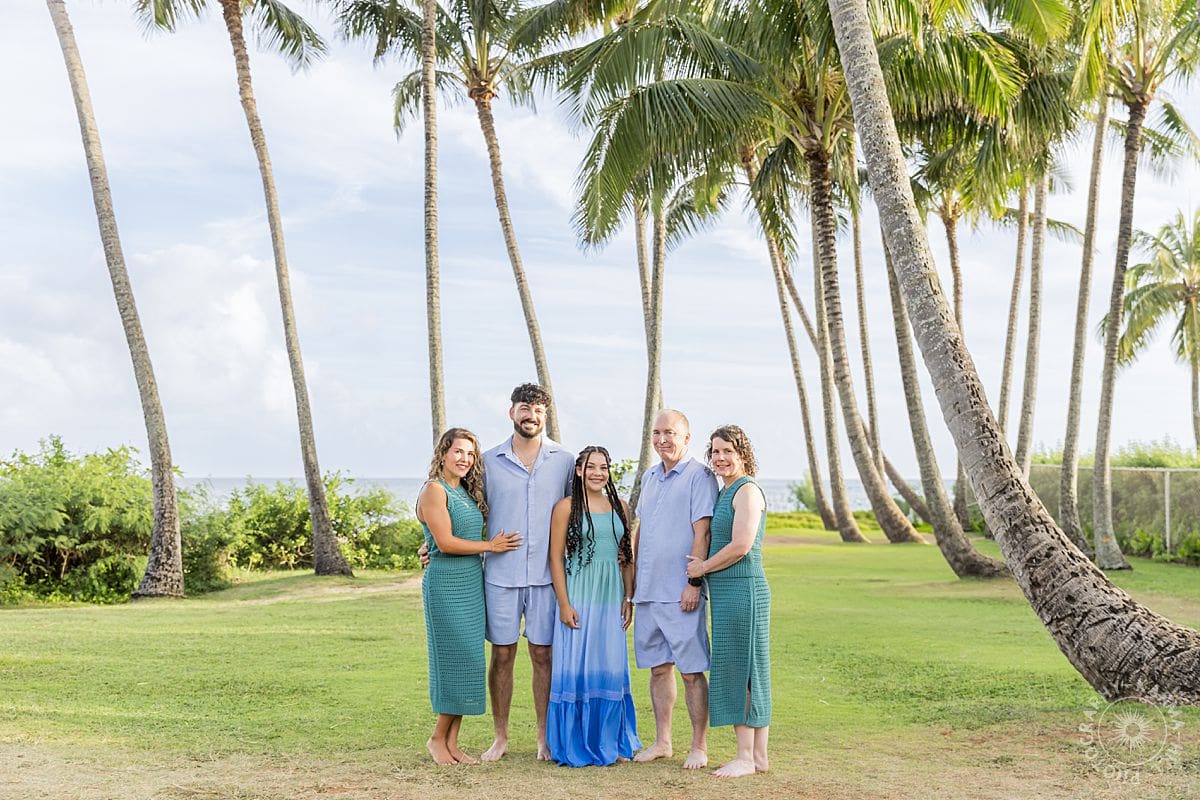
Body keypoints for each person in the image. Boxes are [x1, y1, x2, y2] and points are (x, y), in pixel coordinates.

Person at [480, 383, 576, 761]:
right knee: (502, 654)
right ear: (511, 412)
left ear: (545, 415)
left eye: (537, 409)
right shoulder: (488, 461)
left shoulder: (565, 461)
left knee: (542, 654)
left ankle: (543, 737)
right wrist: (432, 542)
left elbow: (579, 513)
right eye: (524, 408)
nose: (530, 415)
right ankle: (500, 737)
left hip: (547, 578)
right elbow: (469, 511)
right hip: (499, 576)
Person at [416, 427, 523, 765]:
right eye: (458, 452)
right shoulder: (434, 490)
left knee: (470, 663)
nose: (464, 459)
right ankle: (437, 739)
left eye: (470, 454)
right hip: (446, 585)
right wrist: (490, 546)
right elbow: (445, 542)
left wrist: (430, 544)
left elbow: (442, 536)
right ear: (443, 453)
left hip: (470, 584)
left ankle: (452, 742)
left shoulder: (463, 490)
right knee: (454, 661)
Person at [631, 410, 718, 769]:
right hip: (648, 592)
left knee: (691, 671)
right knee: (658, 669)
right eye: (657, 432)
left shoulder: (700, 476)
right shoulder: (651, 476)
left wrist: (693, 583)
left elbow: (703, 532)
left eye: (670, 432)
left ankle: (698, 746)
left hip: (681, 591)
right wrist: (632, 585)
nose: (663, 439)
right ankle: (663, 742)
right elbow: (641, 530)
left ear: (686, 436)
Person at [546, 445, 641, 766]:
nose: (598, 473)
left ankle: (611, 742)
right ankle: (574, 744)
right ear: (578, 471)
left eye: (603, 467)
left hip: (611, 596)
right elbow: (555, 558)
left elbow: (626, 557)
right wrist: (563, 603)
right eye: (590, 467)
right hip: (579, 595)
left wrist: (629, 597)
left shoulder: (621, 507)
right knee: (578, 666)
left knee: (611, 666)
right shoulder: (565, 508)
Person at [686, 424, 771, 778]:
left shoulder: (746, 491)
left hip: (743, 590)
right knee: (745, 668)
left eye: (728, 452)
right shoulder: (726, 492)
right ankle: (759, 757)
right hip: (726, 593)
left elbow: (741, 546)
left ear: (743, 455)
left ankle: (746, 758)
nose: (720, 458)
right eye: (716, 452)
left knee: (744, 670)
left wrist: (703, 566)